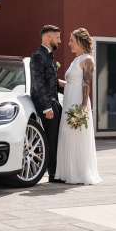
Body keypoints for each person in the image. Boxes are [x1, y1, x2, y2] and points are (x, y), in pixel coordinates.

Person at [55, 27, 102, 185]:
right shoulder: (76, 60)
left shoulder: (87, 59)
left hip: (78, 102)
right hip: (69, 100)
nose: (69, 43)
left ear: (81, 42)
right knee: (68, 135)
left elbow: (86, 82)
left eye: (72, 41)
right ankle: (68, 173)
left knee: (77, 136)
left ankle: (79, 173)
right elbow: (70, 83)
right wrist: (54, 80)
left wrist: (83, 106)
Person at [30, 25, 64, 183]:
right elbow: (38, 84)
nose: (59, 41)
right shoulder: (38, 56)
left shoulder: (49, 56)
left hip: (54, 102)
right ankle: (53, 174)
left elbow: (51, 83)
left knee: (56, 138)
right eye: (57, 37)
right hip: (47, 105)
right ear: (48, 37)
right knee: (51, 139)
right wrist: (46, 107)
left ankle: (56, 171)